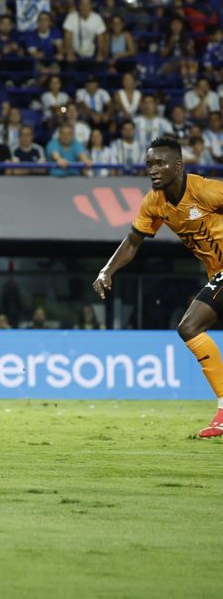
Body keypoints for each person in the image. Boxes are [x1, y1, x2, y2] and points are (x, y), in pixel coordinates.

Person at [94, 137, 223, 438]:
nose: (152, 169)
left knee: (190, 326)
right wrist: (107, 270)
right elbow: (132, 242)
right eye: (149, 164)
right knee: (190, 328)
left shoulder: (205, 190)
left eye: (160, 163)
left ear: (178, 166)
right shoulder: (155, 202)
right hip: (217, 273)